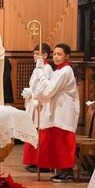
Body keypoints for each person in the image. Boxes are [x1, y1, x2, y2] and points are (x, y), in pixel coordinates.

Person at [30, 43, 79, 182]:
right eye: (55, 54)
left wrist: (41, 73)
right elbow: (43, 90)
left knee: (64, 141)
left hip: (63, 110)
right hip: (56, 110)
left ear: (67, 56)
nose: (56, 57)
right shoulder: (58, 71)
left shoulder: (66, 71)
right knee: (57, 142)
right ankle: (60, 170)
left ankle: (67, 172)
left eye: (60, 54)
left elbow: (49, 90)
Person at [21, 43, 54, 173]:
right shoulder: (38, 69)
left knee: (41, 133)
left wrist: (33, 94)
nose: (34, 56)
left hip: (41, 105)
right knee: (34, 131)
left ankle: (42, 162)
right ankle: (34, 160)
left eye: (37, 54)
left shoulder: (46, 68)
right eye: (34, 53)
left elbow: (45, 87)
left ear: (45, 55)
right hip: (34, 104)